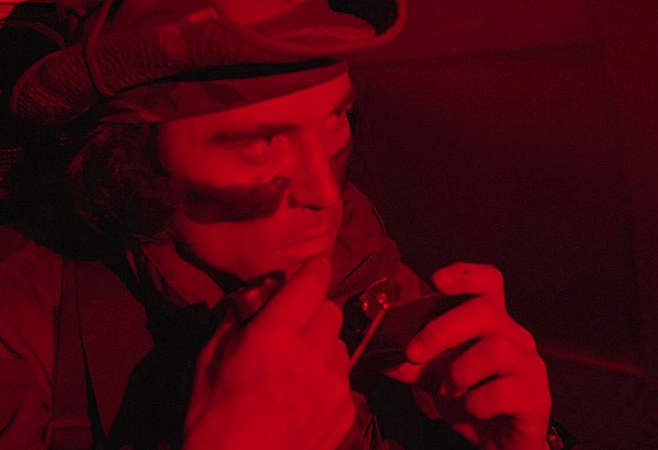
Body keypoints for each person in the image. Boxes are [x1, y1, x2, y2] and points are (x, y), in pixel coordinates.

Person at [0, 1, 576, 449]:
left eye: (335, 120)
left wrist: (516, 441)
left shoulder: (355, 253)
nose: (324, 193)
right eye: (262, 142)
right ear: (134, 161)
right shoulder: (23, 334)